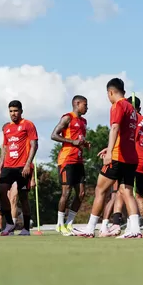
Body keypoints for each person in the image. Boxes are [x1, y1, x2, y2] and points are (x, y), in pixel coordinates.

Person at [71, 78, 142, 238]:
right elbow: (127, 133)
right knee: (127, 192)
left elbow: (115, 127)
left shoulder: (117, 105)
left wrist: (110, 152)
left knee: (100, 189)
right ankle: (135, 230)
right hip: (131, 156)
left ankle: (90, 229)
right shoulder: (132, 108)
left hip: (118, 156)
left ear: (111, 92)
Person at [105, 96, 143, 238]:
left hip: (134, 159)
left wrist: (108, 149)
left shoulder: (131, 119)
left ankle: (118, 226)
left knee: (123, 191)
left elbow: (123, 137)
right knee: (139, 196)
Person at [0, 100, 38, 236]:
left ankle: (26, 229)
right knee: (1, 190)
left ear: (21, 111)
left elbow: (34, 145)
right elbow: (4, 150)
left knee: (23, 197)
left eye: (16, 111)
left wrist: (27, 165)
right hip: (8, 166)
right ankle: (9, 224)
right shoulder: (7, 128)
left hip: (22, 167)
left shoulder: (28, 124)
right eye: (11, 111)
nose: (13, 113)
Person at [50, 95, 89, 235]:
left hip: (78, 161)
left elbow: (79, 139)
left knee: (81, 193)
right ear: (77, 104)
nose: (87, 108)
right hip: (66, 160)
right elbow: (54, 135)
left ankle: (69, 224)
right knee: (66, 192)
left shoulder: (84, 121)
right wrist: (72, 142)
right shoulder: (67, 118)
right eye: (85, 104)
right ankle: (59, 225)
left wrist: (85, 143)